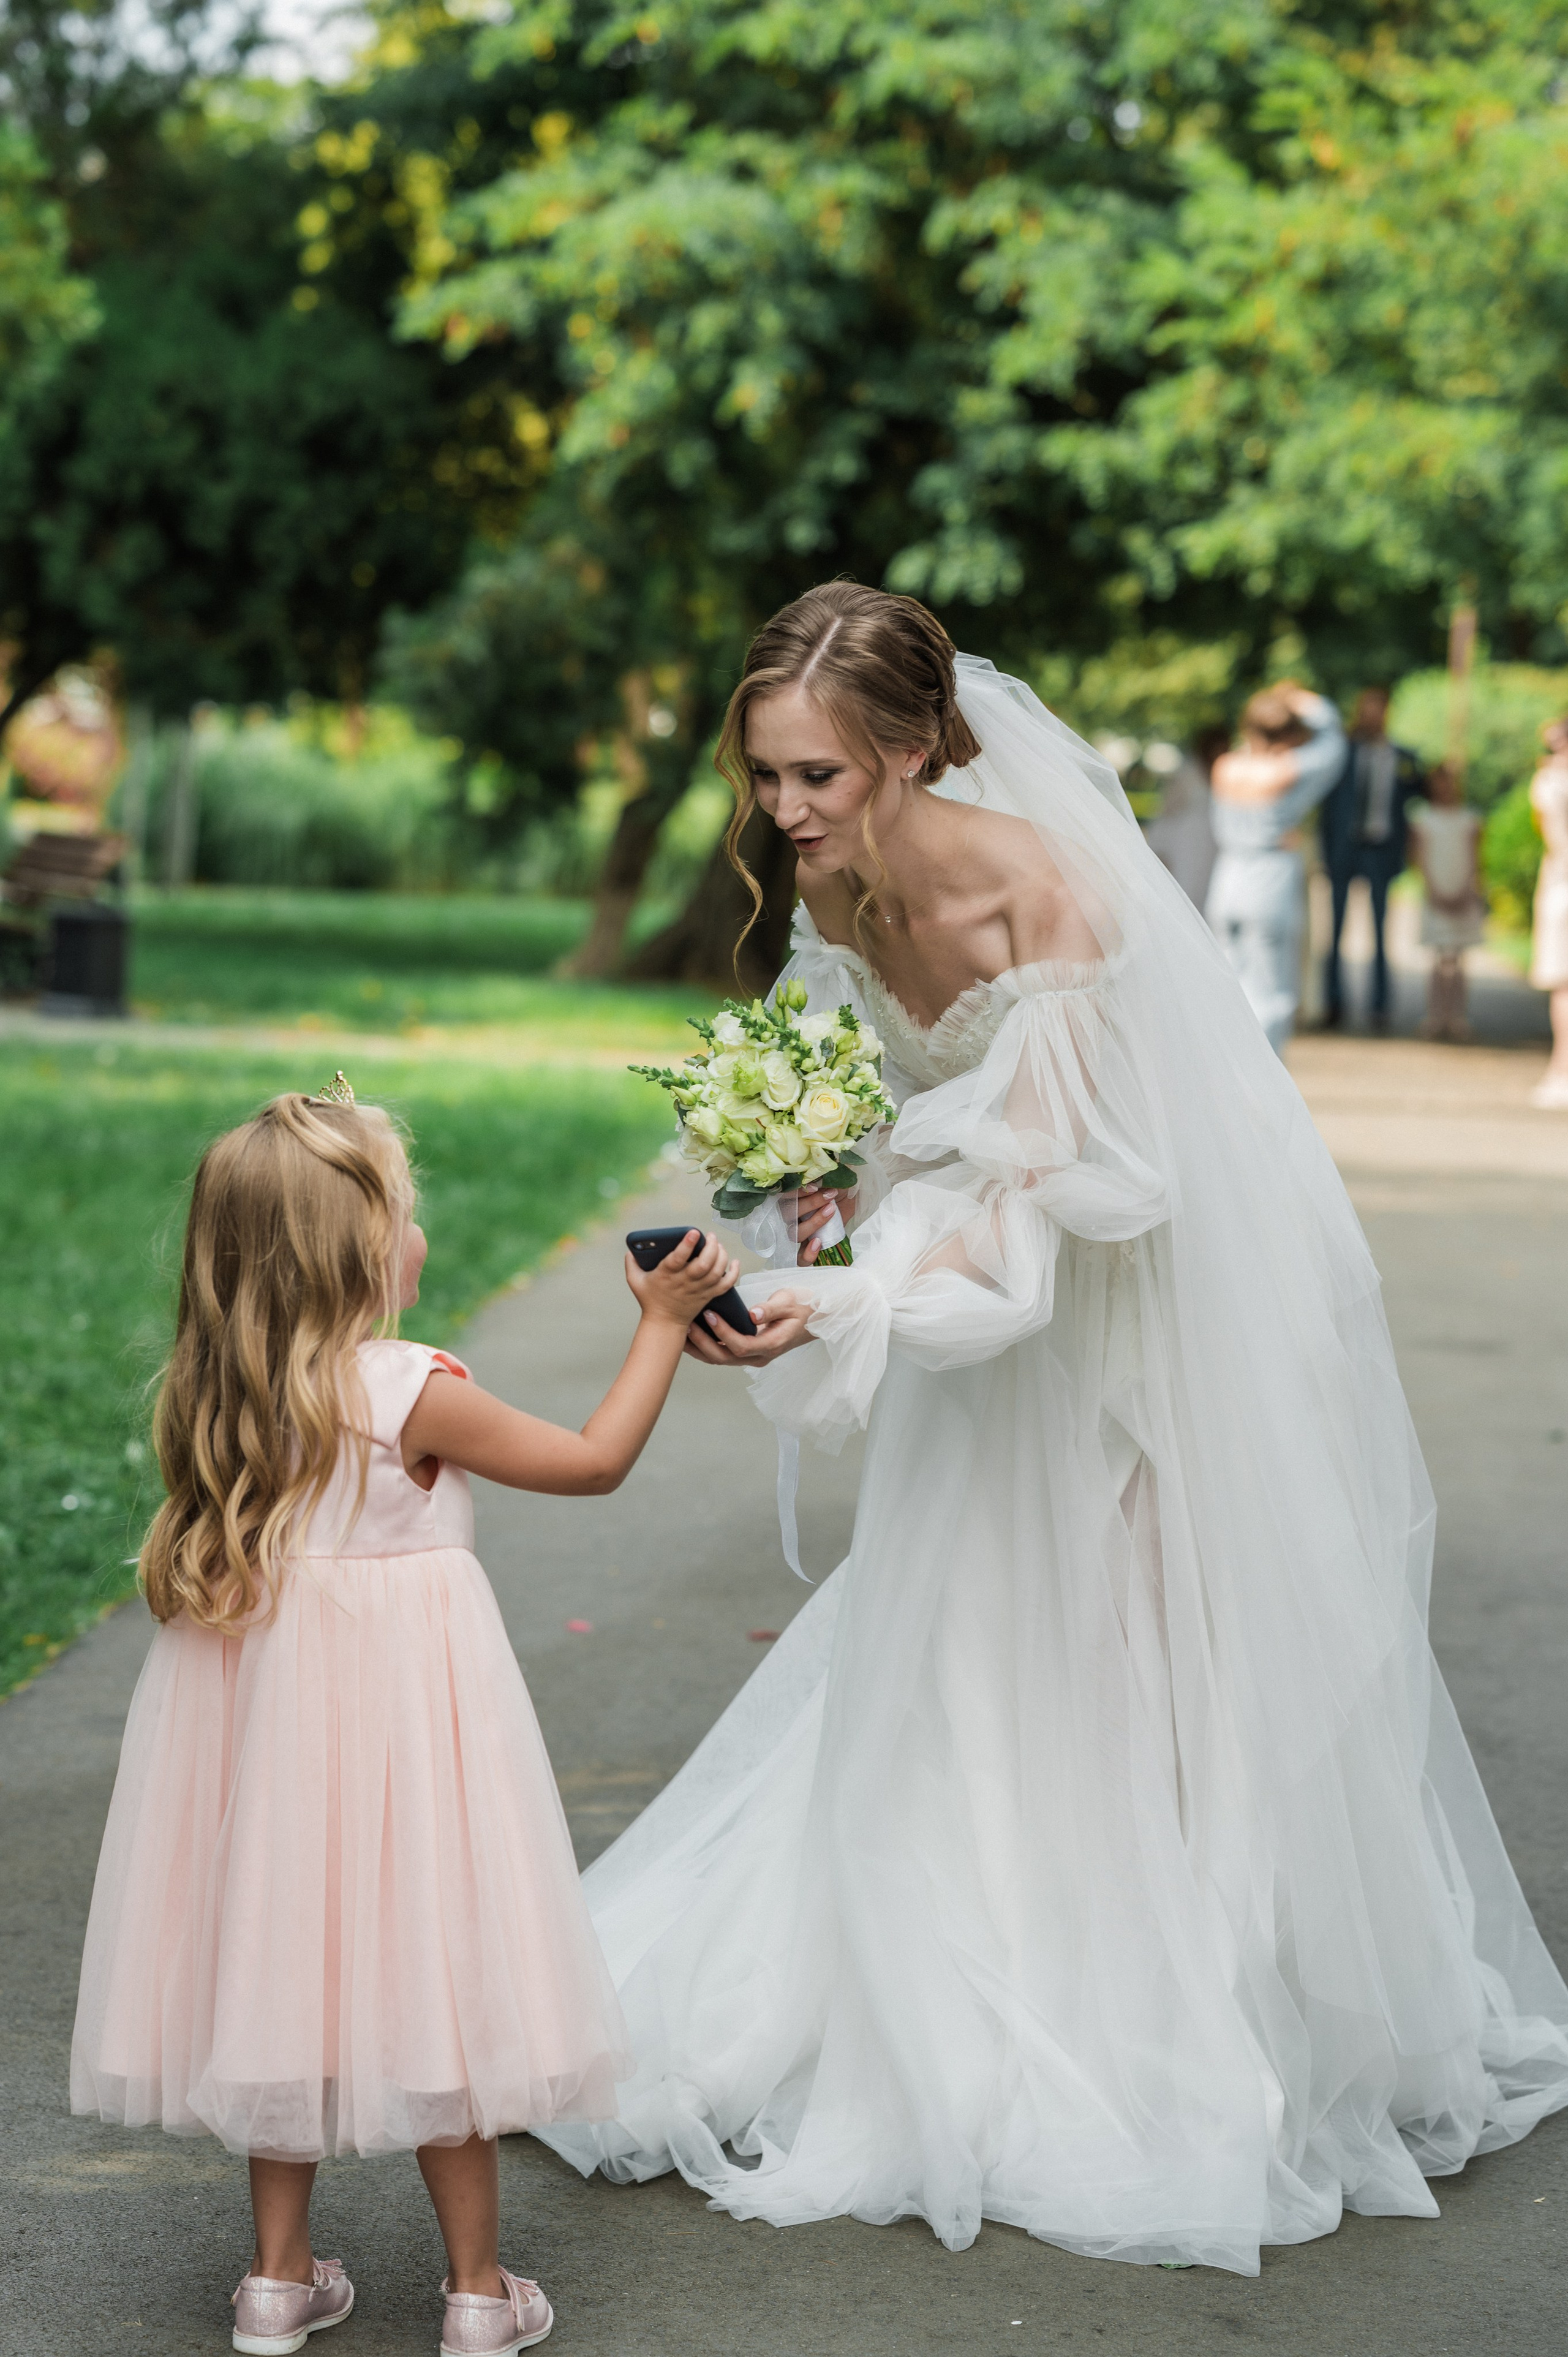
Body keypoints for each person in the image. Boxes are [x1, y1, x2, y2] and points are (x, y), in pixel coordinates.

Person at [540, 584, 1568, 2277]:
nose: (787, 813)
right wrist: (805, 1225)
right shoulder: (821, 882)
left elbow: (1057, 1212)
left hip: (1120, 1316)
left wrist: (862, 1302)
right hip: (968, 1294)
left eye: (819, 777)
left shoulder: (1049, 896)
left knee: (1138, 1657)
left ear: (913, 748)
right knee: (954, 1635)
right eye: (768, 776)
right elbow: (879, 1139)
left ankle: (1159, 2011)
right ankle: (928, 1967)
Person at [70, 1079, 737, 2357]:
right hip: (405, 1745)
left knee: (281, 1969)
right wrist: (660, 1320)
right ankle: (478, 2294)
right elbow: (592, 1461)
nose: (421, 1233)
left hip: (269, 1756)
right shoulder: (406, 1388)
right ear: (361, 1244)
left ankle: (274, 2283)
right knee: (443, 1975)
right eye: (407, 1209)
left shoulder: (223, 1390)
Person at [1204, 682, 1346, 1053]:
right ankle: (1265, 1080)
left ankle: (1228, 1071)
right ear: (1288, 736)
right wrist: (1303, 700)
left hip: (1227, 880)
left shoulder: (1226, 766)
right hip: (1269, 882)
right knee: (1271, 993)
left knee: (1228, 987)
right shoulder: (1287, 772)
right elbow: (1334, 743)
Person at [1321, 687, 1425, 1031]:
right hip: (1345, 849)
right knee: (1335, 928)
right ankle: (1334, 1001)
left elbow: (1424, 794)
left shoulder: (1403, 758)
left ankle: (1380, 1006)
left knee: (1382, 929)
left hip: (1381, 851)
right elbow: (1328, 807)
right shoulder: (1342, 754)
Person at [1409, 762, 1484, 1042]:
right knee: (1438, 958)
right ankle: (1436, 1014)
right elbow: (1421, 859)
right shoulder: (1423, 817)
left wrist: (1467, 889)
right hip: (1436, 893)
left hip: (1463, 892)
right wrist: (1435, 891)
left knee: (1460, 959)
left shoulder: (1469, 818)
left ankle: (1458, 1015)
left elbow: (1476, 858)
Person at [1143, 725, 1227, 911]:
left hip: (1215, 845)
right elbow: (1166, 812)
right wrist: (1159, 848)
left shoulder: (1227, 773)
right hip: (1187, 844)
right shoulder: (1188, 773)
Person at [1528, 716, 1568, 1110]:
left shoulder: (1551, 785)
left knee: (1563, 986)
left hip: (1562, 888)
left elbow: (1556, 840)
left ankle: (1562, 1069)